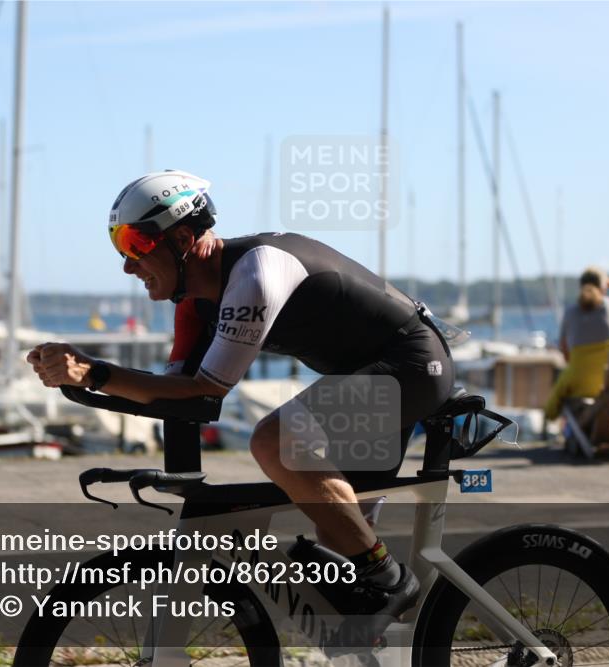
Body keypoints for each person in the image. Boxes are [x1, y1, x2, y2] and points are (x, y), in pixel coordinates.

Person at [27, 170, 454, 641]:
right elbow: (175, 396)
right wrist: (86, 381)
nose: (127, 265)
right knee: (337, 581)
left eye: (135, 244)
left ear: (184, 238)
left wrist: (98, 373)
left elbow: (205, 391)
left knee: (275, 440)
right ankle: (384, 629)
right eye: (118, 245)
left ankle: (390, 579)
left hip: (412, 365)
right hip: (365, 374)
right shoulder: (193, 302)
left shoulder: (256, 273)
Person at [544, 267, 609, 420]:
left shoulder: (570, 312)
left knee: (561, 388)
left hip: (580, 384)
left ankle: (556, 424)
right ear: (603, 287)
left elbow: (565, 352)